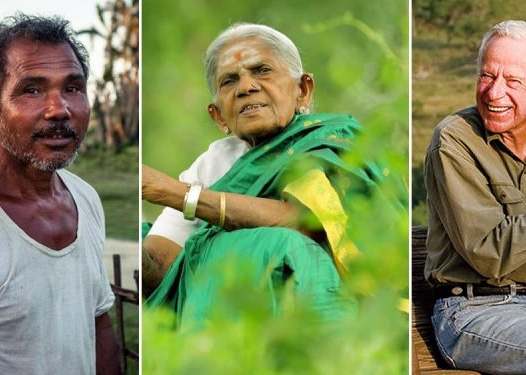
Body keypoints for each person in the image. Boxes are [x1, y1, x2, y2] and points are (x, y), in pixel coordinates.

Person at [142, 23, 379, 326]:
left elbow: (308, 223)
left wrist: (175, 193)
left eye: (262, 71)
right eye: (229, 81)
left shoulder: (333, 143)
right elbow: (164, 266)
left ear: (303, 91)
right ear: (218, 116)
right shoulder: (212, 164)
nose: (245, 87)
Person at [0, 14, 125, 375]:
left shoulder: (86, 198)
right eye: (32, 90)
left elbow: (97, 323)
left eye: (73, 88)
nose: (59, 110)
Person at [424, 20, 526, 375]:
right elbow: (489, 256)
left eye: (513, 81)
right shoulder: (454, 140)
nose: (494, 92)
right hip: (478, 313)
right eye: (487, 76)